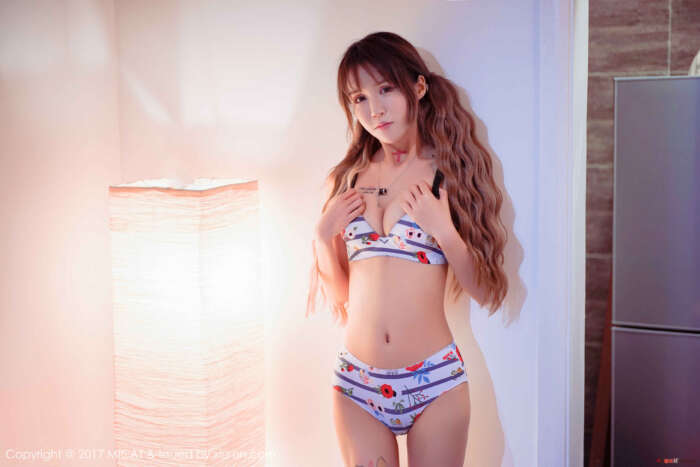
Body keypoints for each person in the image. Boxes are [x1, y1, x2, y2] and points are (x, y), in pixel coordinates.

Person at [306, 31, 508, 467]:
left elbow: (485, 291)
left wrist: (444, 231)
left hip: (434, 384)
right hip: (357, 384)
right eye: (359, 98)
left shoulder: (449, 173)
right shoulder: (347, 180)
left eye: (385, 89)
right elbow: (341, 295)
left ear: (418, 87)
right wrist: (323, 238)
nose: (374, 110)